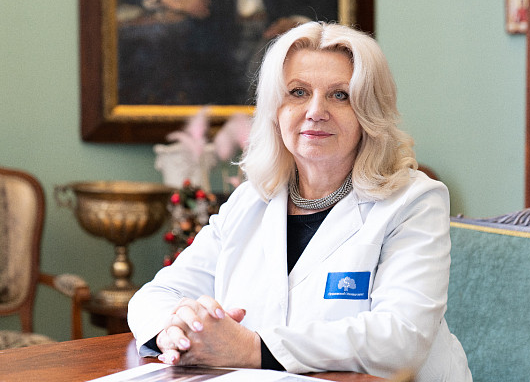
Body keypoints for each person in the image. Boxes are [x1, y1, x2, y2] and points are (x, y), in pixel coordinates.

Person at [128, 21, 472, 381]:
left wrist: (250, 348)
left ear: (370, 113)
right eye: (298, 92)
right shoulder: (251, 200)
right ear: (275, 110)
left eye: (340, 95)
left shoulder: (415, 201)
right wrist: (173, 331)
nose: (316, 110)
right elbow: (157, 295)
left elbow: (401, 339)